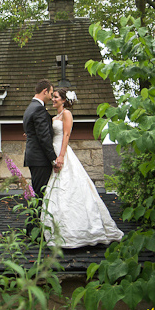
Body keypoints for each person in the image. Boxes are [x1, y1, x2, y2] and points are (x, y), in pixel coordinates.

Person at [41, 88, 124, 248]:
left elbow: (66, 135)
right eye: (53, 97)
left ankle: (81, 232)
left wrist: (61, 156)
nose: (53, 99)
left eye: (56, 97)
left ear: (64, 100)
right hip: (53, 151)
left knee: (70, 188)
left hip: (62, 152)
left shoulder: (66, 114)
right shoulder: (54, 117)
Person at [23, 79, 60, 237]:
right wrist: (54, 159)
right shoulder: (38, 109)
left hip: (34, 158)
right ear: (45, 91)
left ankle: (34, 231)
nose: (52, 97)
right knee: (39, 195)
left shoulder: (31, 107)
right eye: (51, 93)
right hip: (40, 159)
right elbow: (44, 137)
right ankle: (34, 234)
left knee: (37, 194)